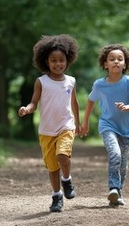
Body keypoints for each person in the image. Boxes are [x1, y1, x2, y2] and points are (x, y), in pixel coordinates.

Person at [17, 34, 82, 212]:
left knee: (63, 156)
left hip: (66, 127)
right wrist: (27, 109)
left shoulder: (71, 81)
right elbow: (34, 102)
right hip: (47, 130)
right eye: (53, 60)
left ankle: (67, 180)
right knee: (52, 167)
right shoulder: (41, 82)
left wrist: (79, 122)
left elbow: (74, 103)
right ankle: (56, 196)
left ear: (67, 61)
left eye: (61, 60)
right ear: (46, 61)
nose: (57, 64)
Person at [81, 43, 129, 207]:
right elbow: (90, 101)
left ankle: (118, 192)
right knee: (115, 154)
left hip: (127, 129)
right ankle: (113, 188)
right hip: (107, 125)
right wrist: (85, 122)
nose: (116, 61)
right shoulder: (99, 84)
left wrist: (127, 106)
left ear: (125, 63)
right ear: (105, 64)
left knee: (123, 165)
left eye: (120, 59)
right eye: (112, 59)